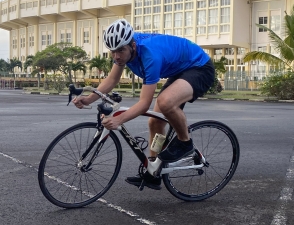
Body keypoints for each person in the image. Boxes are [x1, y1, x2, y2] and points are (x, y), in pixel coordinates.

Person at [72, 19, 216, 190]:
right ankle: (153, 172)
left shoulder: (149, 55)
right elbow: (112, 79)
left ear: (132, 45)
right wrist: (88, 99)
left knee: (165, 102)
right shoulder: (123, 52)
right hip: (179, 70)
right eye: (112, 52)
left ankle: (185, 142)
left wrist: (120, 120)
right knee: (155, 122)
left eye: (120, 51)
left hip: (200, 67)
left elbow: (144, 103)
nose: (117, 56)